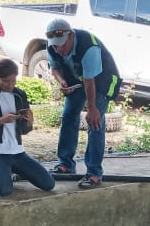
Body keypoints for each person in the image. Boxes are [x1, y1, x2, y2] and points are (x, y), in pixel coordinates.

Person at [45, 18, 120, 189]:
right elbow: (54, 67)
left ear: (70, 35)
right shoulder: (52, 45)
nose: (59, 49)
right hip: (78, 79)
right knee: (68, 116)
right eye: (55, 46)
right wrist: (62, 81)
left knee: (95, 122)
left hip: (102, 81)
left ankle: (94, 173)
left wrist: (92, 108)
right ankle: (65, 164)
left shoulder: (88, 46)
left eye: (62, 45)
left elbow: (89, 80)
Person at [0, 59, 55, 197]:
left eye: (13, 81)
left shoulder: (20, 95)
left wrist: (29, 122)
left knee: (48, 184)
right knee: (5, 191)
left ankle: (10, 170)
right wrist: (0, 121)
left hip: (18, 153)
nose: (10, 85)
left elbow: (24, 130)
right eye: (5, 81)